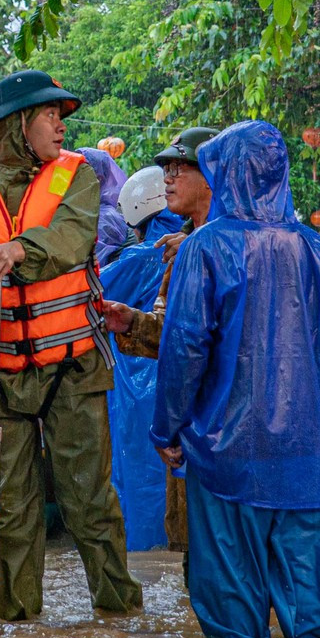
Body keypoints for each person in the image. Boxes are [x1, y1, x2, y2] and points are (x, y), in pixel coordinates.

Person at [0, 70, 143, 621]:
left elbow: (73, 239)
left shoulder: (79, 174)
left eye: (62, 115)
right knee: (11, 513)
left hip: (73, 367)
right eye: (50, 114)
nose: (61, 124)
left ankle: (119, 617)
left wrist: (14, 251)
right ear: (17, 124)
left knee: (90, 504)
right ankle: (17, 627)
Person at [148, 121, 320, 638]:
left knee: (233, 629)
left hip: (226, 455)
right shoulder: (316, 250)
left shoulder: (205, 249)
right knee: (310, 624)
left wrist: (166, 430)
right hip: (302, 458)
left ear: (224, 173)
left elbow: (185, 349)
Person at [99, 126, 218, 556]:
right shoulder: (176, 252)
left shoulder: (227, 247)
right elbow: (177, 335)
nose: (168, 177)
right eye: (165, 169)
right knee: (195, 558)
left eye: (179, 168)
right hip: (185, 423)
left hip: (219, 427)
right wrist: (131, 322)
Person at [100, 167, 185, 551]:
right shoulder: (198, 244)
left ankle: (142, 559)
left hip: (137, 388)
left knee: (137, 483)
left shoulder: (137, 256)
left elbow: (91, 294)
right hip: (184, 382)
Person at [80, 147, 133, 268]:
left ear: (98, 180)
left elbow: (87, 267)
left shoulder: (105, 218)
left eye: (79, 176)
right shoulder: (91, 213)